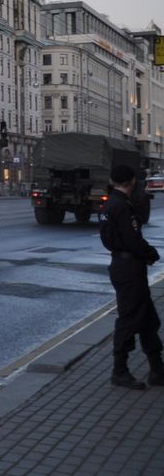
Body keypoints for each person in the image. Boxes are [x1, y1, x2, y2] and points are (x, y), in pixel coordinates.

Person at [101, 163, 162, 389]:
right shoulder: (123, 206)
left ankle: (157, 369)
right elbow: (132, 239)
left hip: (121, 265)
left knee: (148, 320)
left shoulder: (110, 205)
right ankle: (120, 371)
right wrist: (150, 253)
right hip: (129, 269)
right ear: (132, 181)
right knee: (128, 320)